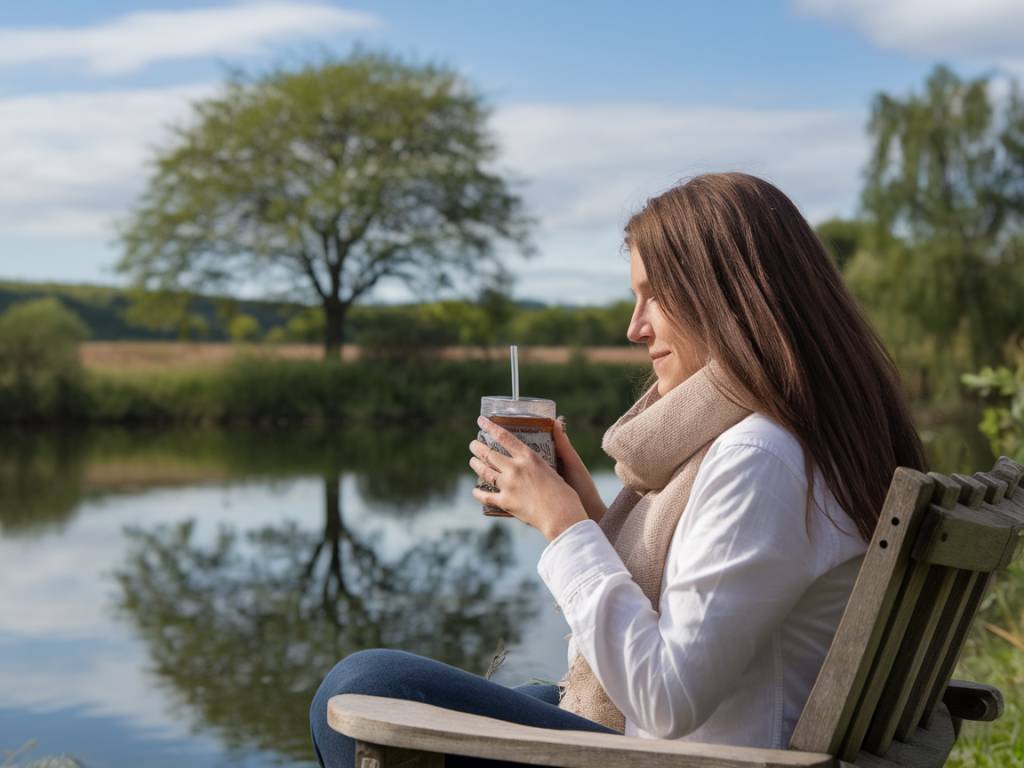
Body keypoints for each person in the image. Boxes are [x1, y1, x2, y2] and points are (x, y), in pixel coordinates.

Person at [309, 172, 929, 766]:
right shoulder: (803, 436)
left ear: (727, 296)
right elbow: (709, 611)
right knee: (518, 695)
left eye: (653, 295)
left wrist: (565, 528)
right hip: (713, 746)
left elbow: (666, 700)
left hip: (690, 762)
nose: (635, 328)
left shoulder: (758, 457)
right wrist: (592, 517)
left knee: (363, 683)